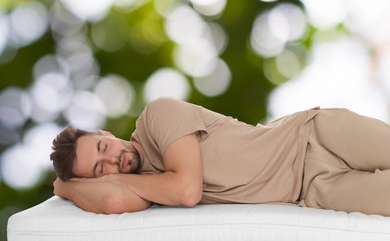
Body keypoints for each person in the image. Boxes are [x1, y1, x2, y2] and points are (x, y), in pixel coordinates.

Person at [50, 97, 390, 216]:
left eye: (103, 148)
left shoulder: (158, 116)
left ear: (106, 134)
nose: (113, 162)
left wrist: (103, 177)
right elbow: (110, 202)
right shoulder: (142, 188)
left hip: (314, 138)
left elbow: (187, 190)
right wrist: (65, 187)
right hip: (313, 192)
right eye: (100, 169)